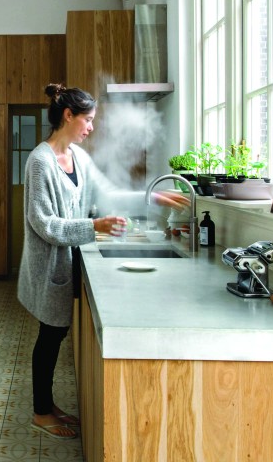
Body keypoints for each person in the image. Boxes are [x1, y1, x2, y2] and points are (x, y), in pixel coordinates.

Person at [18, 83, 188, 439]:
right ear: (69, 116)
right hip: (49, 265)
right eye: (88, 120)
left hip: (68, 260)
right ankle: (40, 412)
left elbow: (108, 194)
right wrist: (94, 225)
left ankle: (47, 406)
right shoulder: (40, 162)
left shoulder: (79, 158)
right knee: (49, 337)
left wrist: (153, 197)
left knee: (54, 335)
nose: (91, 128)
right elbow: (44, 224)